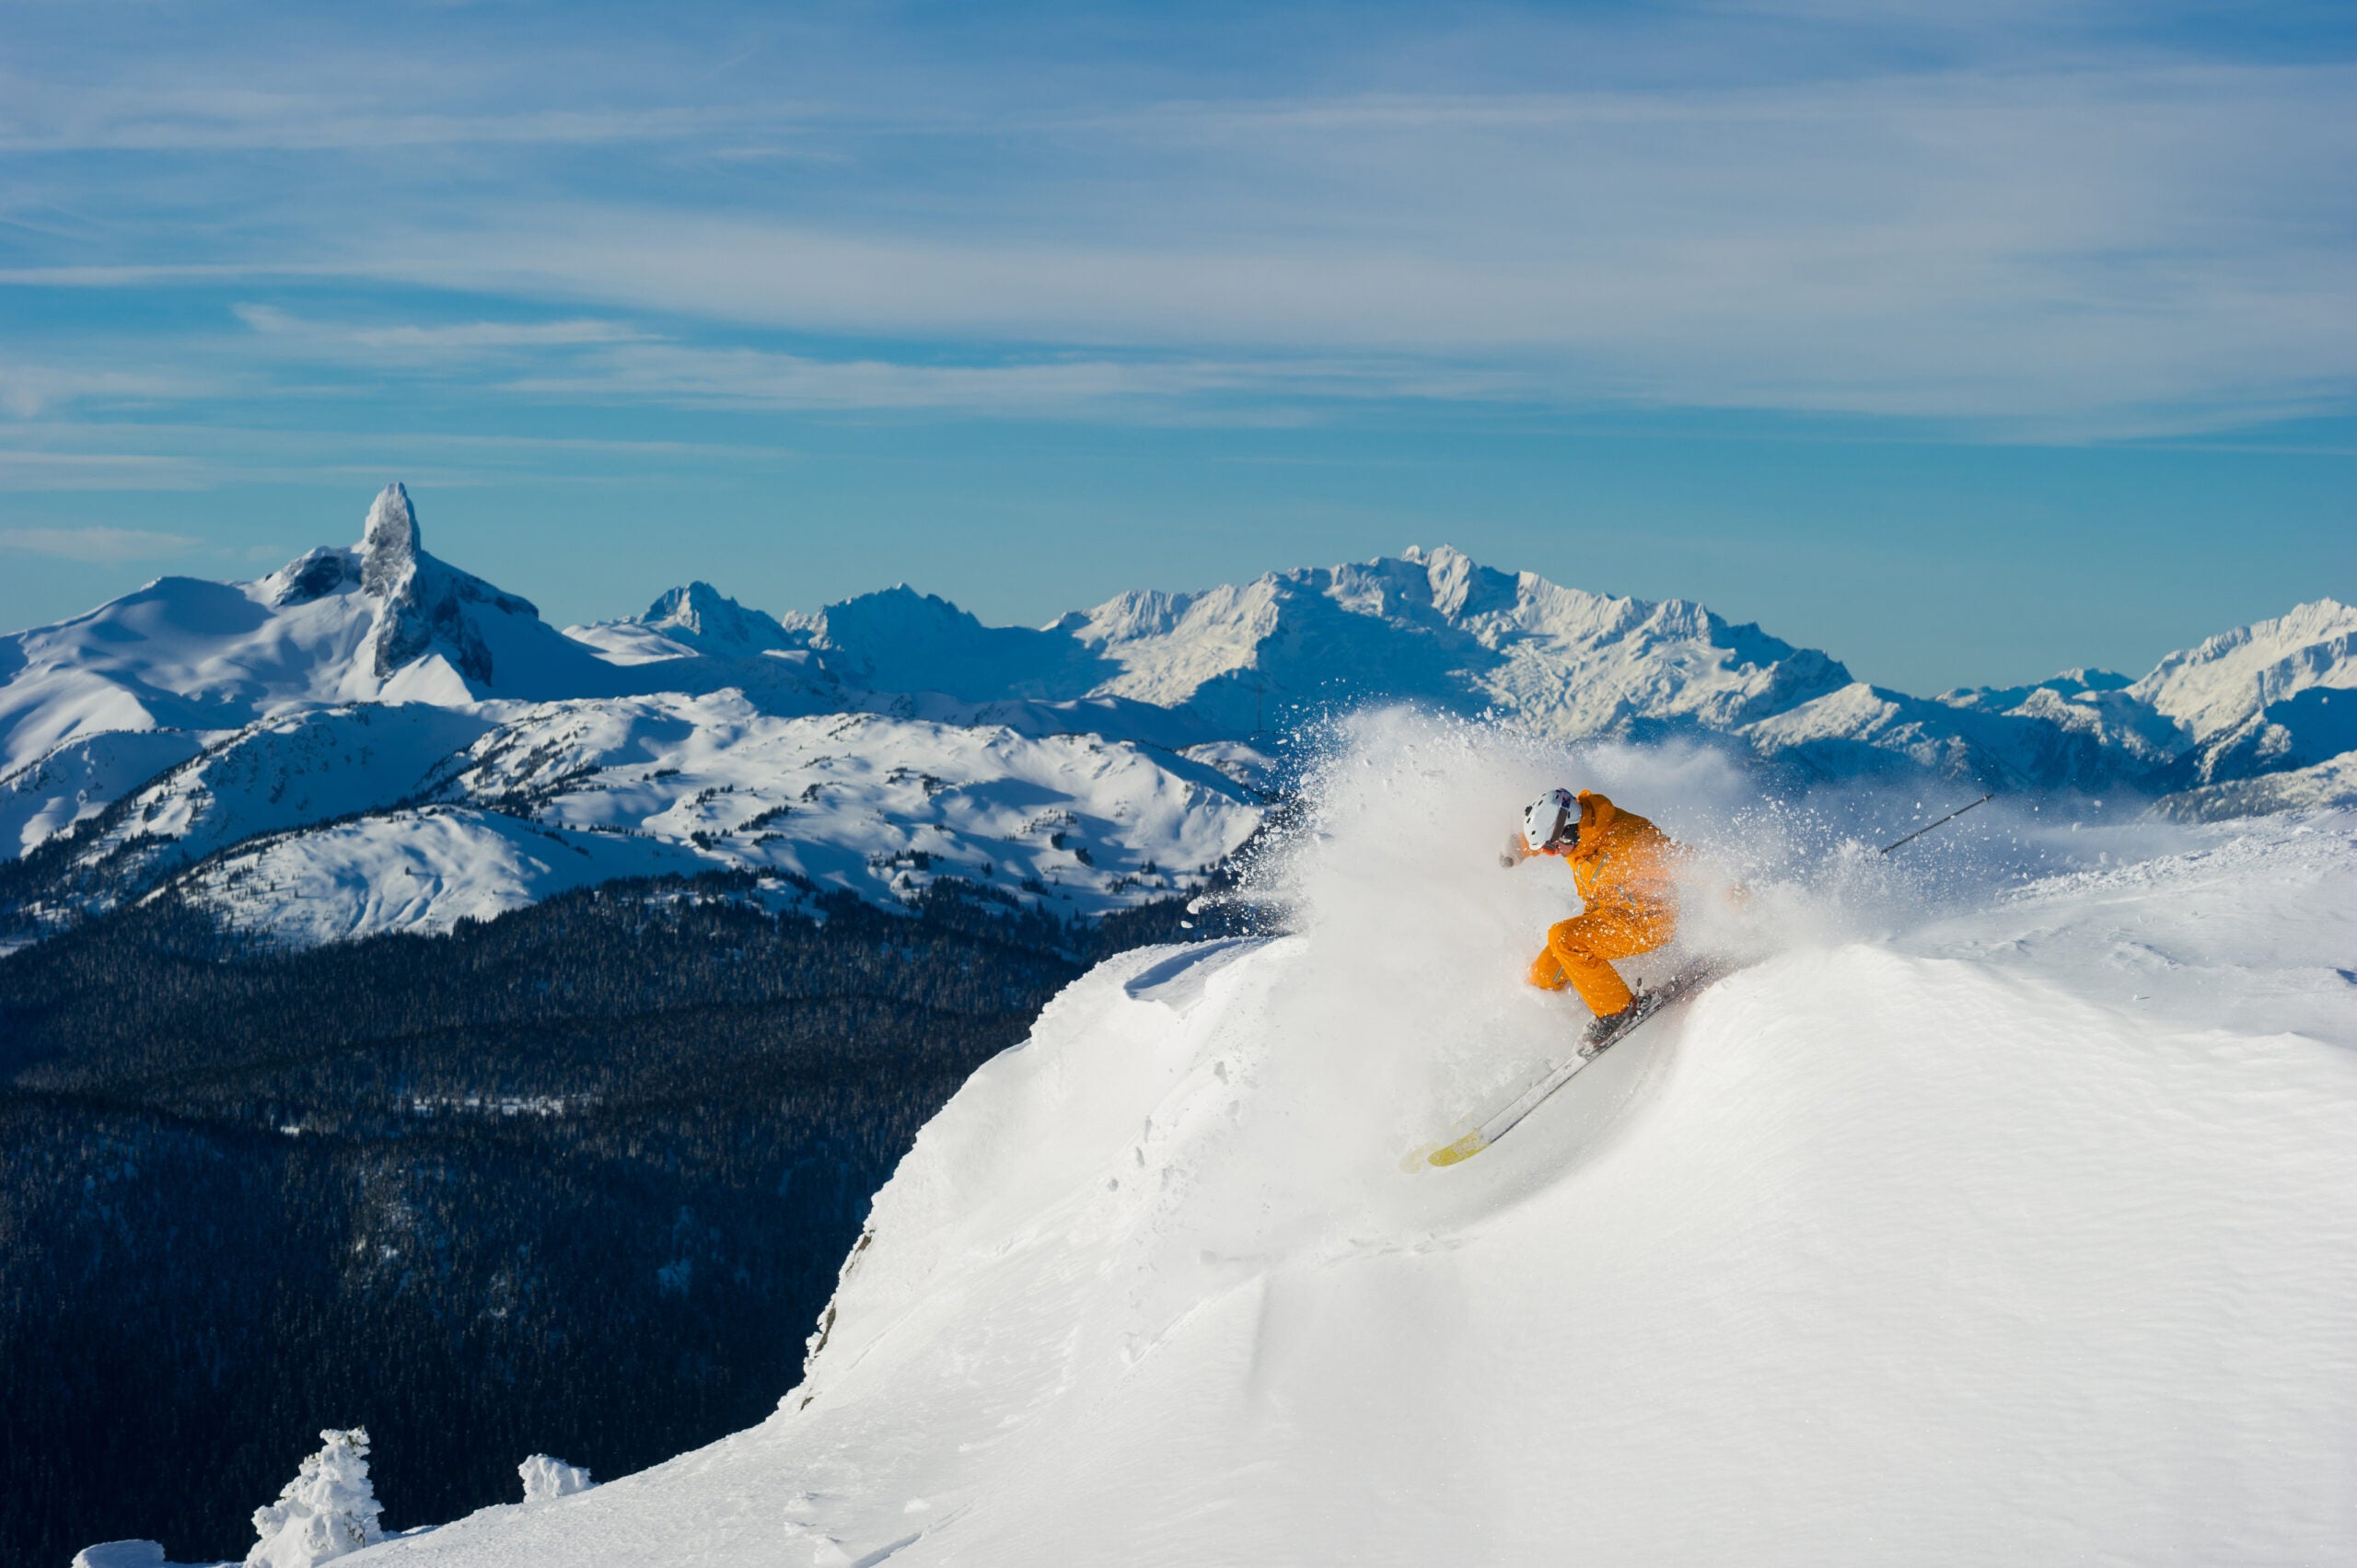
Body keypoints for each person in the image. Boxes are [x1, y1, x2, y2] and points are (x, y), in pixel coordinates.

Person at [1502, 787, 1683, 1045]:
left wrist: (1729, 888)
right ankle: (1582, 1001)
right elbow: (1551, 829)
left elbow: (1685, 861)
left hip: (1649, 921)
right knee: (1540, 976)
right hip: (1609, 916)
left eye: (1552, 849)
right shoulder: (1580, 835)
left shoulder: (1628, 842)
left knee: (1564, 938)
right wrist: (1521, 847)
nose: (1554, 854)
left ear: (1567, 829)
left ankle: (1618, 1010)